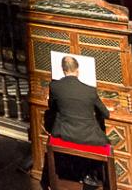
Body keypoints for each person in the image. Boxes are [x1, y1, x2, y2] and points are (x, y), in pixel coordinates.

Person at [45, 55, 110, 187]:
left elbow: (52, 106)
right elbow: (106, 113)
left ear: (63, 70)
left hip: (64, 132)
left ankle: (74, 173)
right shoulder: (90, 90)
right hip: (90, 136)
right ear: (77, 70)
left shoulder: (55, 86)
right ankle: (91, 174)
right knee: (104, 139)